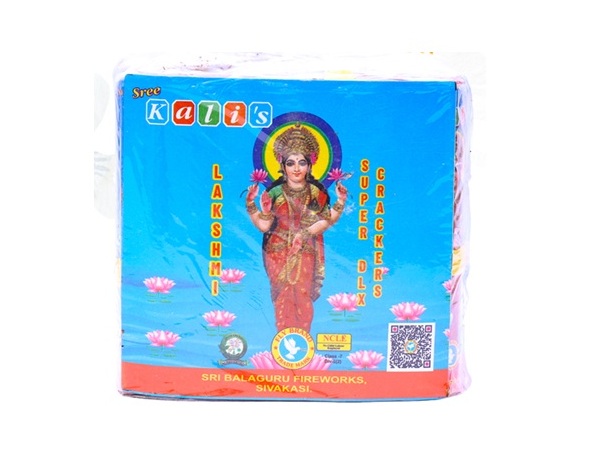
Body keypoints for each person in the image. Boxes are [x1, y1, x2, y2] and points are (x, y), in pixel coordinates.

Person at [246, 123, 347, 332]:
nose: (296, 168)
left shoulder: (315, 193)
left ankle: (303, 340)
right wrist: (253, 204)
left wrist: (340, 201)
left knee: (302, 296)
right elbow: (264, 226)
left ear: (310, 165)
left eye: (302, 162)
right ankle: (282, 339)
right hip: (277, 253)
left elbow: (326, 220)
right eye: (290, 163)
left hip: (305, 251)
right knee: (282, 298)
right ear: (282, 166)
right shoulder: (274, 193)